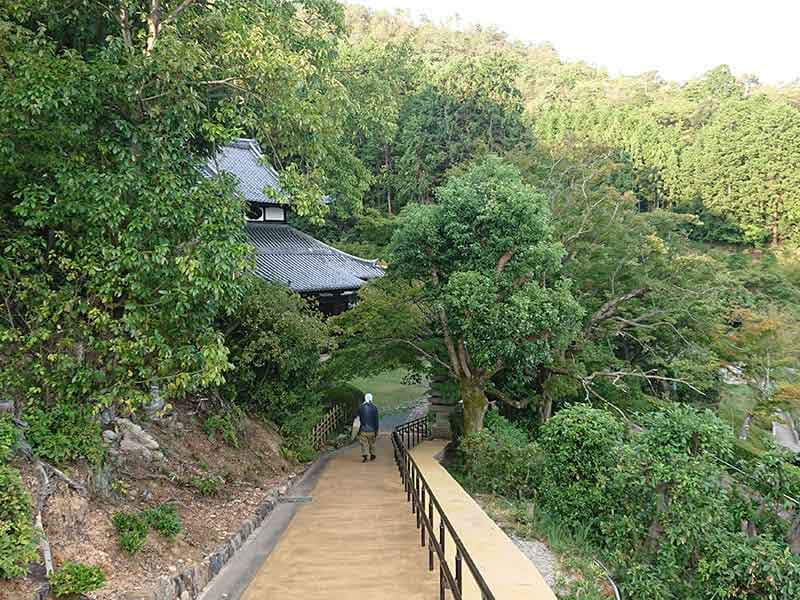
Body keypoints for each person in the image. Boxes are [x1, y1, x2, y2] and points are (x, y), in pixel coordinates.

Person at [357, 393, 379, 462]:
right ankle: (373, 454)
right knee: (372, 443)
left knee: (363, 443)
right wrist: (376, 430)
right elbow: (376, 420)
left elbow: (358, 418)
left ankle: (365, 454)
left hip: (363, 428)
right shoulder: (374, 408)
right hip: (372, 429)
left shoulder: (361, 407)